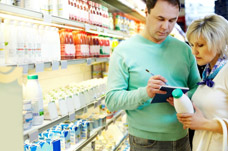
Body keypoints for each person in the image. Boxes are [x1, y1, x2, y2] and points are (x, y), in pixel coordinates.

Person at [105, 0, 201, 150]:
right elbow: (112, 101)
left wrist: (183, 99)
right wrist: (146, 93)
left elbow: (198, 89)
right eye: (160, 19)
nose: (166, 27)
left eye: (172, 20)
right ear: (147, 13)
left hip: (183, 137)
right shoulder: (123, 51)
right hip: (145, 141)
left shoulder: (185, 50)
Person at [177, 14, 228, 151]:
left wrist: (203, 124)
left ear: (218, 43)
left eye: (200, 45)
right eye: (192, 45)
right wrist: (183, 102)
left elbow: (204, 120)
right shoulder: (208, 73)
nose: (194, 52)